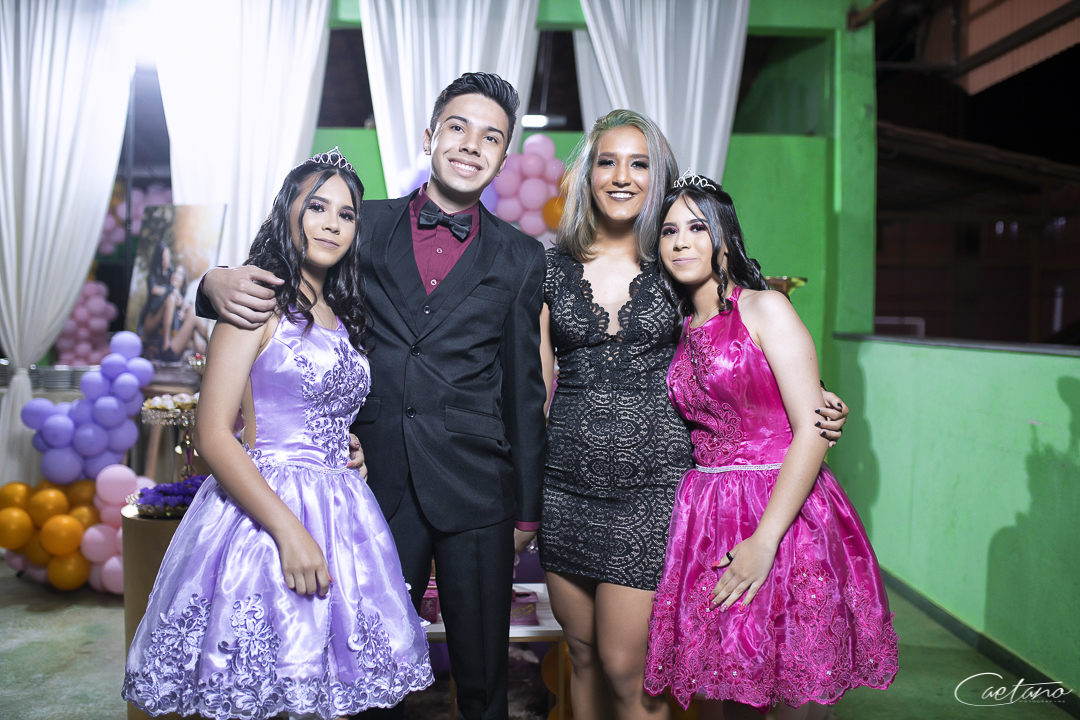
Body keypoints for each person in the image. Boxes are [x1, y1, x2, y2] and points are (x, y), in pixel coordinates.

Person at [196, 73, 547, 720]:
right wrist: (211, 282)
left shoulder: (522, 256)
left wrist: (527, 509)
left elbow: (524, 388)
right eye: (458, 128)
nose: (471, 145)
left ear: (503, 157)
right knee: (363, 672)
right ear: (429, 137)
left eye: (491, 137)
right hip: (372, 483)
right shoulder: (361, 221)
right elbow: (286, 258)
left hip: (478, 487)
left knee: (483, 682)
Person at [539, 111, 849, 720]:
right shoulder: (551, 270)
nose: (621, 176)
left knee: (629, 669)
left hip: (653, 492)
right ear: (586, 174)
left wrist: (815, 398)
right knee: (583, 655)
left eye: (639, 163)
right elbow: (534, 386)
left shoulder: (672, 267)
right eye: (607, 161)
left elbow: (738, 336)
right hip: (565, 492)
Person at [123, 149, 433, 719]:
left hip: (344, 514)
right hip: (268, 510)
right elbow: (213, 434)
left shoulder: (341, 312)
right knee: (266, 687)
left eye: (346, 214)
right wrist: (290, 531)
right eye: (317, 207)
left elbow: (321, 408)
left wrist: (347, 445)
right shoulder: (257, 304)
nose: (332, 223)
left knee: (327, 694)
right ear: (287, 212)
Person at [643, 174, 898, 719]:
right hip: (708, 519)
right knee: (728, 688)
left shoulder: (764, 308)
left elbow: (812, 428)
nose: (681, 241)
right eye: (669, 231)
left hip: (781, 512)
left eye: (697, 227)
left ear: (725, 240)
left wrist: (764, 540)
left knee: (796, 694)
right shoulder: (680, 326)